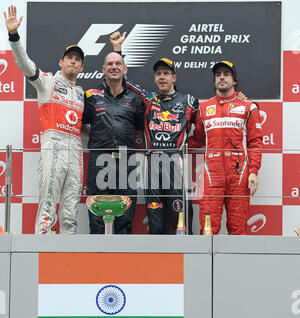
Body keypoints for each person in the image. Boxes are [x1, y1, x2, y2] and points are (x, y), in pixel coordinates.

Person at [4, 5, 85, 234]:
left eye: (77, 59)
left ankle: (68, 256)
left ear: (81, 67)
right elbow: (24, 63)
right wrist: (13, 35)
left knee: (70, 212)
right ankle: (41, 253)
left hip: (76, 151)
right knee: (47, 206)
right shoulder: (47, 82)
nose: (73, 61)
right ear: (61, 62)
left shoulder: (81, 93)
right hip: (54, 146)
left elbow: (86, 127)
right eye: (69, 58)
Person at [110, 32, 198, 235]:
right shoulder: (149, 99)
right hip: (152, 169)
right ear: (155, 78)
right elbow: (125, 81)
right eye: (158, 74)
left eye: (166, 73)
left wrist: (236, 97)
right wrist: (118, 50)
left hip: (177, 167)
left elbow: (203, 130)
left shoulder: (189, 101)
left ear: (174, 77)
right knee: (156, 223)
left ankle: (189, 261)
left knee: (181, 223)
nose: (162, 77)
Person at [188, 60, 263, 235]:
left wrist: (253, 171)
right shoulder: (203, 108)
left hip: (239, 173)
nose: (221, 78)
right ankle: (206, 263)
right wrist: (176, 142)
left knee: (238, 227)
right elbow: (197, 140)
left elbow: (255, 142)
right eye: (218, 75)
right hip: (212, 173)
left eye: (226, 74)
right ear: (214, 80)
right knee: (208, 228)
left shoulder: (248, 107)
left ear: (234, 80)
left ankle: (237, 263)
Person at [83, 51, 145, 234]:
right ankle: (96, 253)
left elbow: (141, 127)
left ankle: (123, 252)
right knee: (96, 207)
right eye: (110, 64)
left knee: (126, 207)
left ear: (125, 69)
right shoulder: (92, 96)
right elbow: (81, 124)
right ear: (103, 69)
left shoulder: (135, 99)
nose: (114, 67)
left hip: (126, 159)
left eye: (118, 63)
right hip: (99, 158)